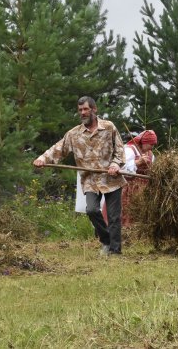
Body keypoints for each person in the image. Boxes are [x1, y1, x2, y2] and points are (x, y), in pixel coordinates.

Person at [34, 96, 126, 255]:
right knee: (91, 210)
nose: (82, 113)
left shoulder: (109, 127)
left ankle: (115, 252)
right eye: (80, 110)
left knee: (114, 217)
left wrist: (115, 164)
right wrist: (42, 159)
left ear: (94, 109)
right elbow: (58, 149)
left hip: (112, 178)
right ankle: (106, 240)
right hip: (90, 180)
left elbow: (120, 150)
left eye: (85, 109)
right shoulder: (73, 134)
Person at [121, 130, 157, 227]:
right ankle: (125, 232)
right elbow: (123, 168)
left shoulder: (150, 154)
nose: (152, 147)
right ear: (144, 142)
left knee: (142, 212)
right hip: (130, 187)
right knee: (128, 209)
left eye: (153, 144)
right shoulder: (130, 150)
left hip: (144, 188)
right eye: (151, 144)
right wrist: (138, 162)